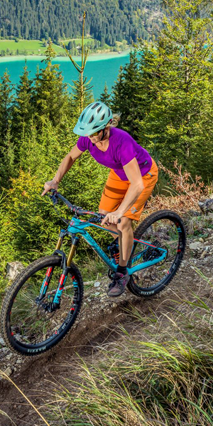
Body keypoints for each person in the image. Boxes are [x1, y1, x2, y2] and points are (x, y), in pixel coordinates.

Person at [42, 102, 159, 297]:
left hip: (142, 176)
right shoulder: (88, 138)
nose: (90, 138)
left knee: (122, 223)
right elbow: (71, 157)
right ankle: (130, 245)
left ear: (106, 127)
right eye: (88, 133)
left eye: (94, 133)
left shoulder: (122, 142)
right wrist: (55, 181)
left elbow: (137, 184)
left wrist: (120, 212)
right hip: (119, 174)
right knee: (103, 217)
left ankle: (122, 272)